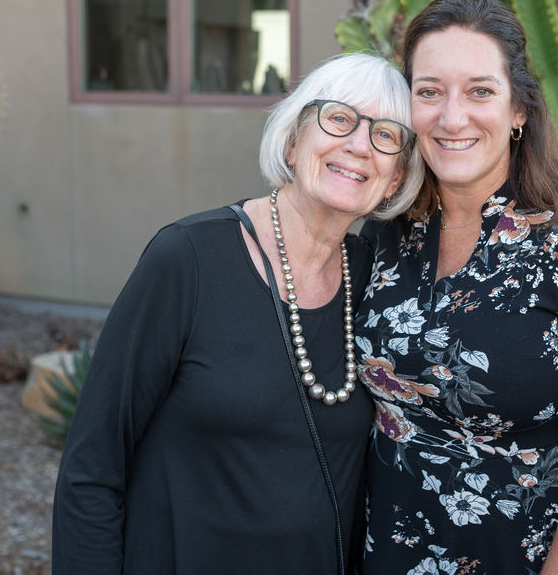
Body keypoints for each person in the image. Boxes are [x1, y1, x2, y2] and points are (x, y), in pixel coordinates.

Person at [52, 52, 424, 574]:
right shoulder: (189, 259)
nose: (359, 145)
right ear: (293, 140)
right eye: (339, 119)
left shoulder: (376, 279)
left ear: (397, 177)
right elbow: (92, 467)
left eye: (385, 135)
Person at [355, 0, 558, 574]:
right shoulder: (389, 231)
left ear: (519, 110)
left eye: (480, 91)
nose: (452, 118)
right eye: (429, 92)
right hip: (401, 551)